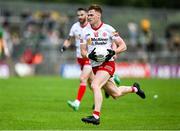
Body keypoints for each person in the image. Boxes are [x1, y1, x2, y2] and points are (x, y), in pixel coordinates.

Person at [80, 4, 146, 125]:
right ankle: (135, 89)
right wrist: (89, 56)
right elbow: (83, 51)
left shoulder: (109, 29)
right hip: (95, 66)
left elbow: (123, 46)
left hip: (108, 63)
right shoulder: (84, 32)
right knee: (116, 93)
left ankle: (96, 117)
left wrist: (113, 52)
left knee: (95, 85)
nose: (88, 17)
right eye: (87, 15)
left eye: (91, 14)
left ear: (99, 15)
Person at [59, 8, 121, 111]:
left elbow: (111, 39)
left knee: (83, 78)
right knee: (91, 82)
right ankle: (110, 82)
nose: (80, 17)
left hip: (90, 58)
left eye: (82, 14)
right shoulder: (75, 27)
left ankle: (77, 103)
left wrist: (113, 51)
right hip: (81, 58)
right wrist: (64, 47)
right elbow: (69, 40)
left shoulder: (92, 27)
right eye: (78, 15)